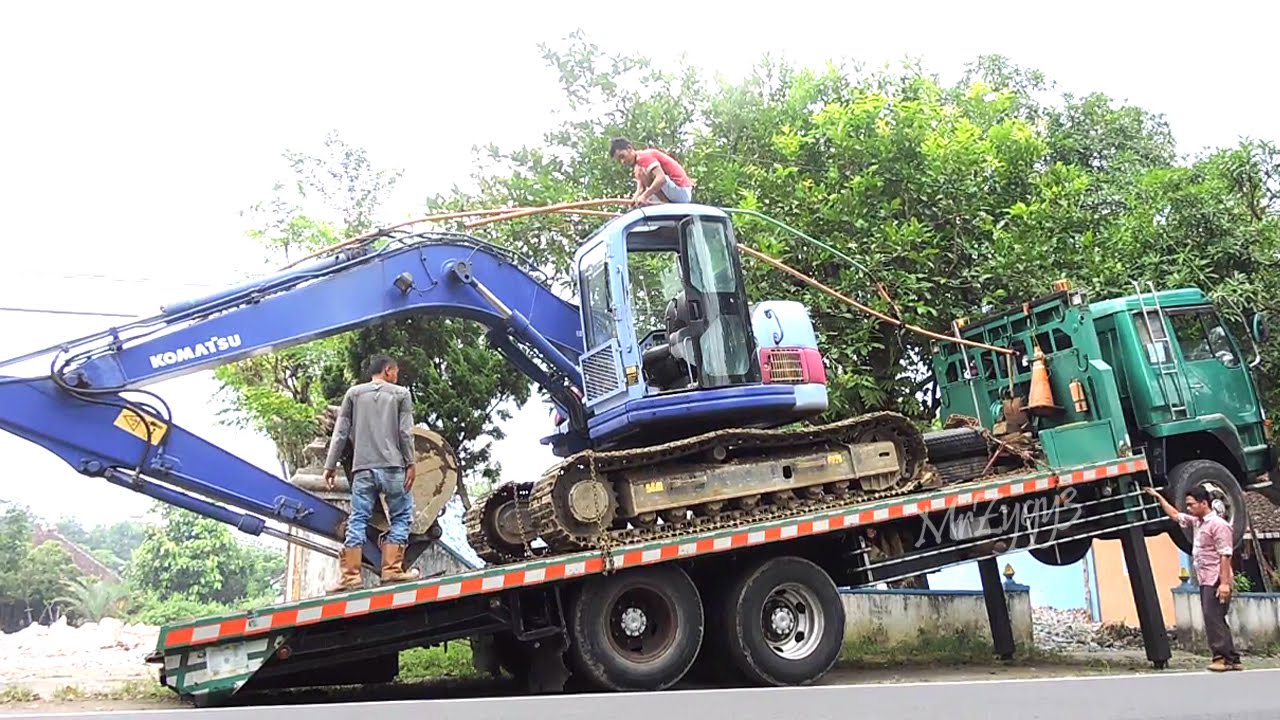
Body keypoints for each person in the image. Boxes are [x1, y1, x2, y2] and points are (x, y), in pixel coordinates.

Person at [323, 354, 419, 593]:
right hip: (393, 468)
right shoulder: (401, 394)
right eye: (395, 371)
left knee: (358, 519)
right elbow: (405, 433)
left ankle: (350, 576)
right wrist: (411, 463)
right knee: (401, 517)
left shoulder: (353, 394)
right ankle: (393, 570)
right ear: (387, 370)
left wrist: (330, 465)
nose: (397, 376)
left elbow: (341, 431)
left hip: (363, 469)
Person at [1143, 484, 1241, 671]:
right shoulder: (1198, 522)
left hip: (1216, 579)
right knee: (1216, 618)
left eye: (1191, 504)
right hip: (1206, 578)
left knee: (1212, 617)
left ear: (1204, 503)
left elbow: (1225, 555)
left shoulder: (1219, 525)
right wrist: (1158, 497)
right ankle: (1233, 659)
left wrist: (1225, 583)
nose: (1188, 508)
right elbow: (1175, 515)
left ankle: (1221, 657)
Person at [609, 137, 695, 206]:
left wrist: (644, 196)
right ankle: (661, 203)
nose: (623, 161)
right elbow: (640, 189)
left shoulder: (643, 157)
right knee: (640, 177)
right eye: (619, 160)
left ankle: (664, 203)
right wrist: (633, 202)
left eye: (622, 156)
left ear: (629, 148)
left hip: (682, 191)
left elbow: (661, 178)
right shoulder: (638, 167)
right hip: (673, 191)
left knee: (645, 176)